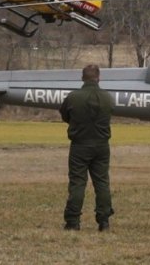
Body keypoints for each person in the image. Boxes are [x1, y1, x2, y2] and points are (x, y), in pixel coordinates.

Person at [59, 64, 113, 231]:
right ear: (99, 78)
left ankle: (73, 221)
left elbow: (65, 115)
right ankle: (104, 220)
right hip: (102, 145)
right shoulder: (107, 97)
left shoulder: (73, 97)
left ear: (82, 78)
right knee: (102, 182)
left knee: (77, 183)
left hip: (80, 145)